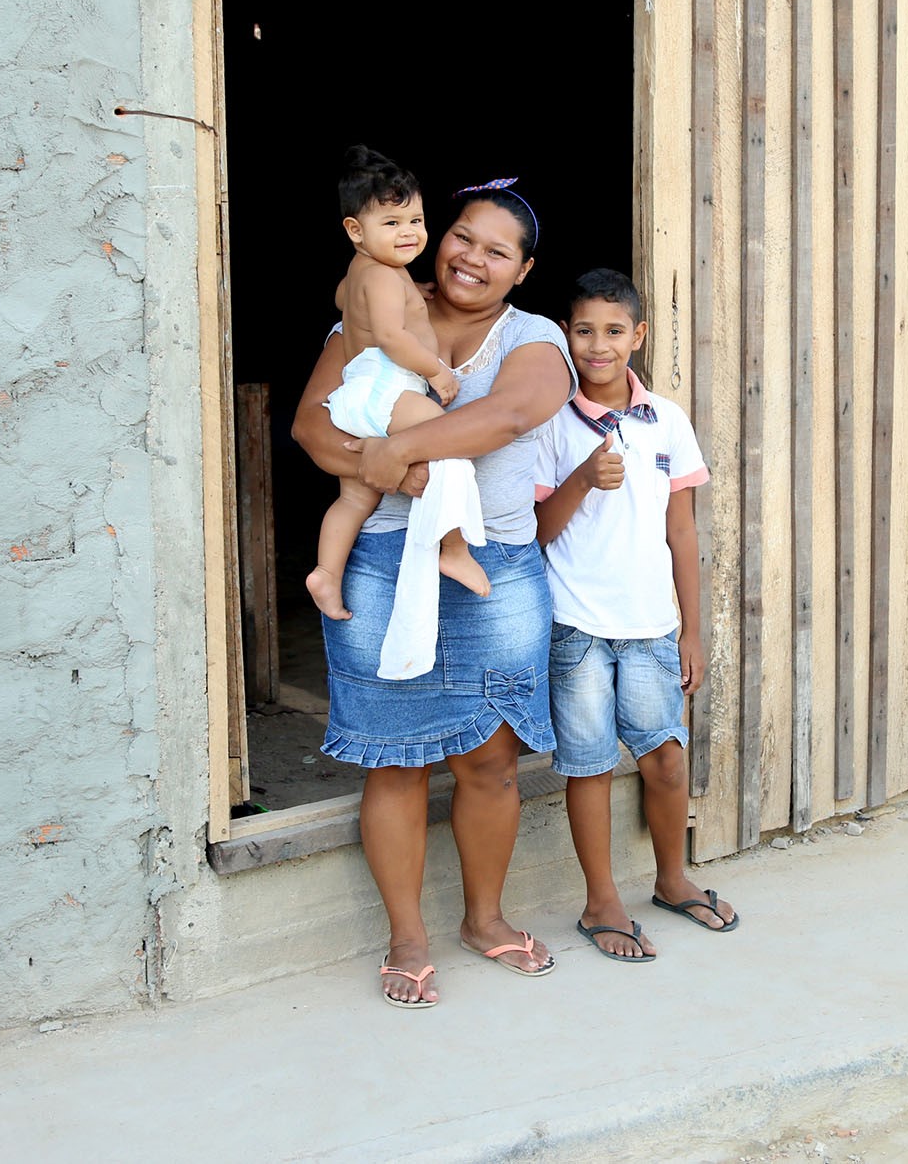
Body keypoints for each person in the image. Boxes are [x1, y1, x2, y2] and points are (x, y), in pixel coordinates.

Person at [291, 179, 574, 1009]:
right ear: (434, 236)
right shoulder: (381, 316)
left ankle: (483, 918)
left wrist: (390, 451)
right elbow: (312, 425)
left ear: (522, 271)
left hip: (495, 569)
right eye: (462, 236)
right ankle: (406, 936)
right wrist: (386, 465)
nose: (472, 258)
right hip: (382, 561)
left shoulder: (534, 336)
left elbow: (510, 415)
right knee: (394, 759)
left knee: (488, 758)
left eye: (497, 250)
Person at [532, 268, 738, 961]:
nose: (598, 346)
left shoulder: (666, 421)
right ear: (567, 333)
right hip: (579, 627)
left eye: (614, 331)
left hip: (651, 627)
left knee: (667, 760)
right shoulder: (551, 422)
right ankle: (601, 901)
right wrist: (584, 475)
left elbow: (682, 532)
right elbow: (538, 530)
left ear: (638, 335)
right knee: (588, 766)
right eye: (584, 330)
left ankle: (672, 878)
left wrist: (693, 627)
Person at [306, 146, 489, 633]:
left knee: (354, 499)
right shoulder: (387, 276)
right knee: (449, 444)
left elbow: (346, 299)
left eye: (415, 220)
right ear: (354, 230)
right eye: (391, 223)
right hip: (389, 387)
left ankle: (326, 572)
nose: (408, 232)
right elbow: (390, 336)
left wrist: (410, 294)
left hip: (355, 397)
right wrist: (436, 372)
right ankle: (455, 550)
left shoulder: (364, 273)